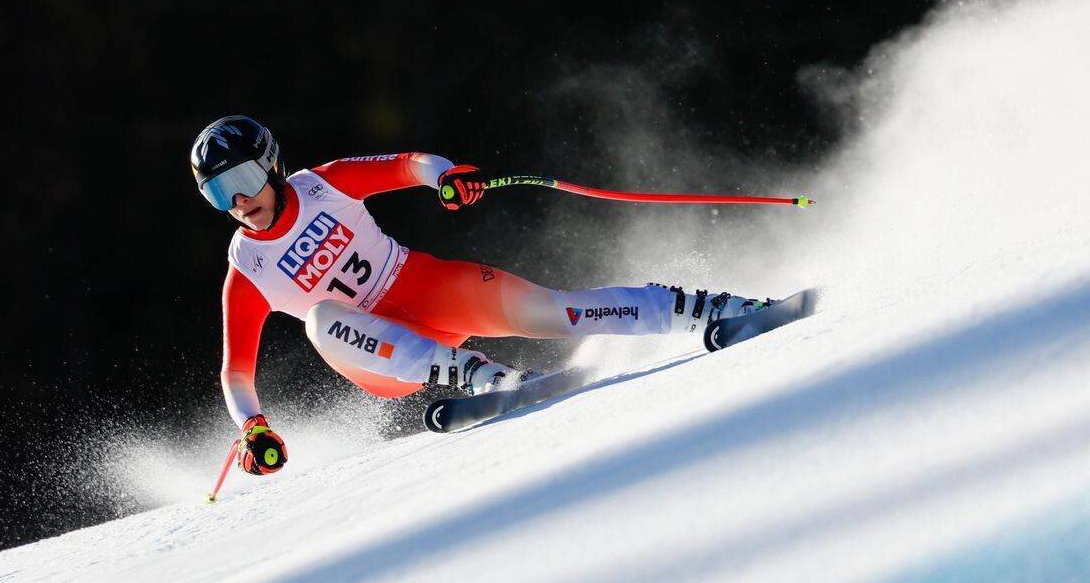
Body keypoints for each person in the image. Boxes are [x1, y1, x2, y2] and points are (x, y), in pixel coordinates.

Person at [191, 115, 770, 475]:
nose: (238, 202)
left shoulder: (324, 184)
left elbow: (408, 165)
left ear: (271, 166)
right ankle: (479, 376)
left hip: (424, 287)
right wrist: (253, 428)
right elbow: (235, 374)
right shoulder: (247, 266)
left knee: (557, 310)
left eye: (241, 181)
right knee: (320, 318)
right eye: (219, 193)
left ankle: (709, 309)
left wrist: (445, 175)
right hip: (386, 355)